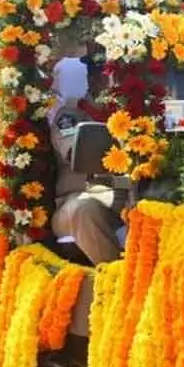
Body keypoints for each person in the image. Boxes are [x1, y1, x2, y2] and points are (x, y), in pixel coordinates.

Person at [48, 100, 124, 265]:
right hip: (77, 197)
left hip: (124, 194)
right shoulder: (72, 113)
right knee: (83, 209)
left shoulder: (129, 106)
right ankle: (116, 279)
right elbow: (73, 151)